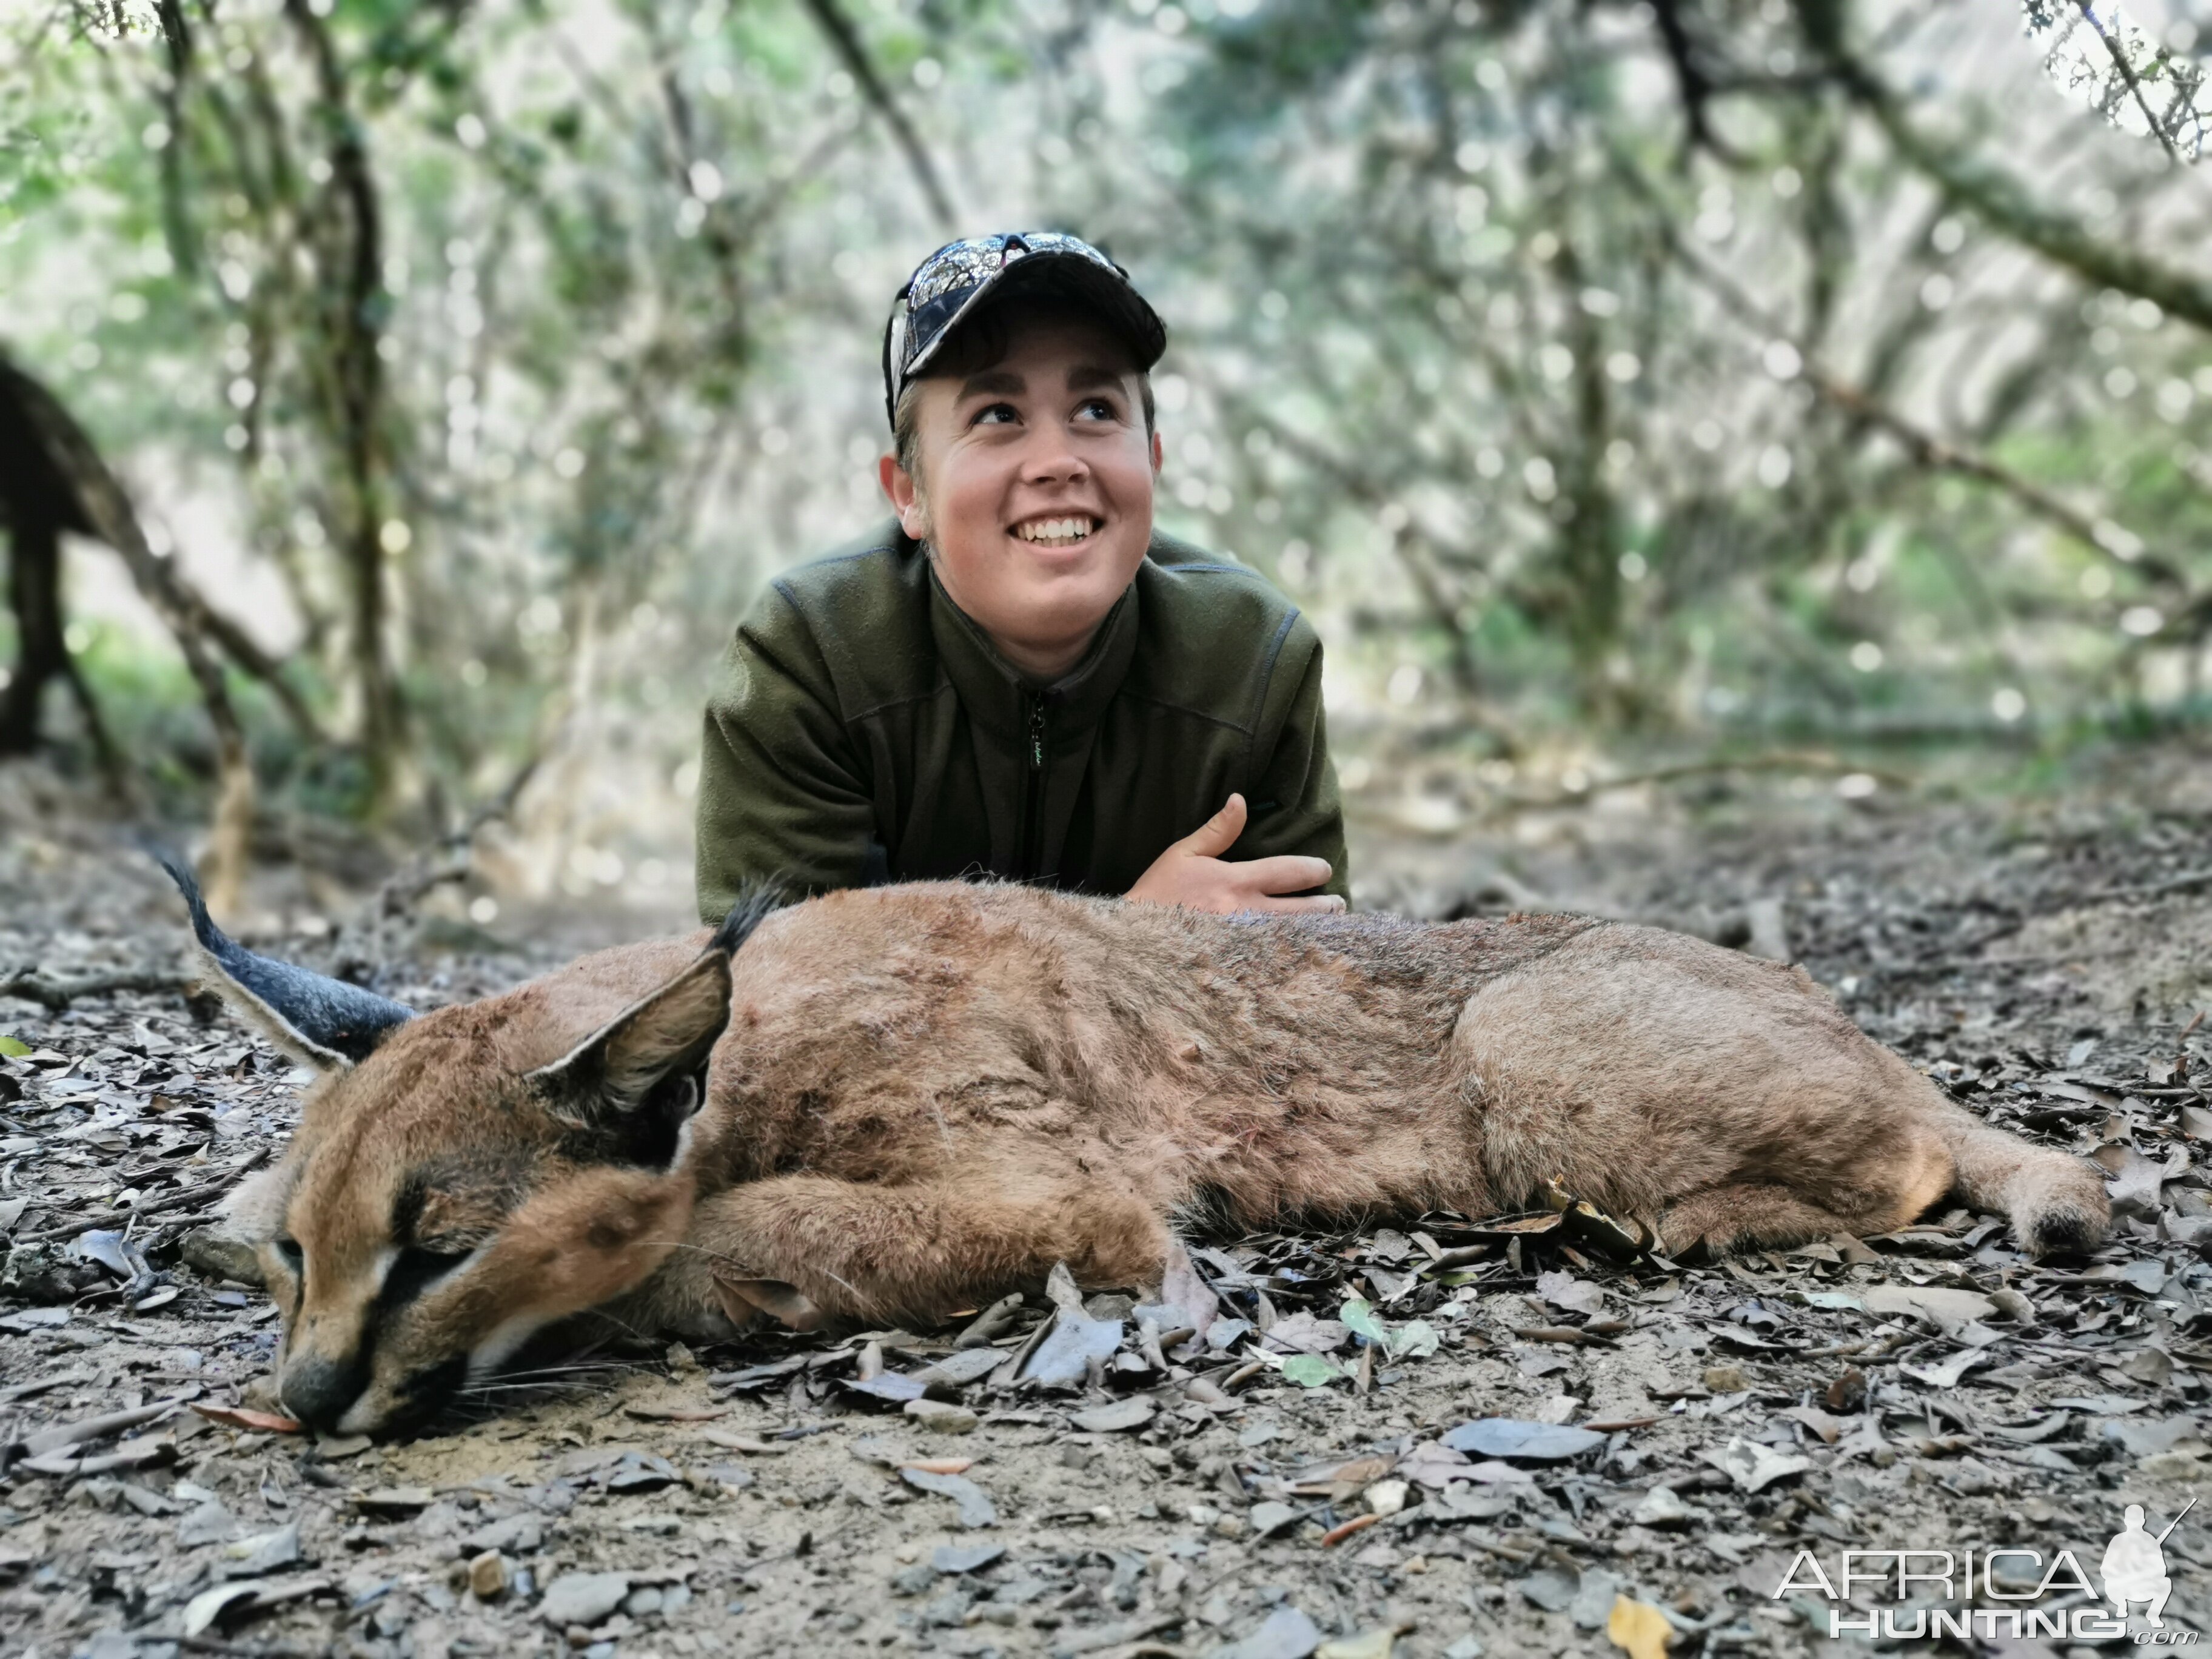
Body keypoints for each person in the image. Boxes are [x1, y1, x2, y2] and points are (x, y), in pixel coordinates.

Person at [694, 232, 1349, 923]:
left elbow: (1307, 997)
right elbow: (788, 1004)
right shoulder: (808, 658)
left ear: (1153, 463)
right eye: (997, 416)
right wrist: (1129, 938)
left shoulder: (1256, 661)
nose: (1057, 461)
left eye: (1097, 410)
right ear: (909, 493)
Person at [2100, 1504, 2173, 1626]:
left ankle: (2154, 1614)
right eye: (2131, 1520)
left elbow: (2162, 1569)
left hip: (2143, 1587)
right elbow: (2105, 1569)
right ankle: (2122, 1608)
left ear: (2143, 1521)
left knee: (2166, 1583)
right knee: (2110, 1583)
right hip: (2121, 1589)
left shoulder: (2150, 1540)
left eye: (2137, 1520)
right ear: (2126, 1521)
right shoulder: (2118, 1540)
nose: (2134, 1523)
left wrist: (2146, 1570)